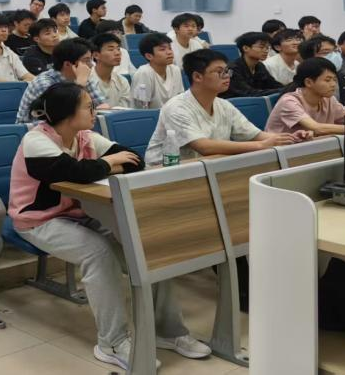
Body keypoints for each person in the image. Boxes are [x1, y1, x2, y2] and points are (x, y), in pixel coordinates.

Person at [10, 83, 209, 370]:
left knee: (145, 248)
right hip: (38, 221)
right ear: (67, 112)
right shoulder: (36, 141)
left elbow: (134, 160)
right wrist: (109, 162)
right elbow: (74, 172)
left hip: (79, 214)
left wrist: (105, 163)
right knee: (98, 253)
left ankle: (168, 330)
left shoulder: (85, 137)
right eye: (88, 107)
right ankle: (112, 342)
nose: (95, 111)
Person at [145, 50, 310, 166]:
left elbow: (256, 135)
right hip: (166, 171)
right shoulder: (176, 107)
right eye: (220, 72)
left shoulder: (224, 105)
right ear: (197, 76)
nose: (227, 77)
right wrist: (262, 145)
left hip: (208, 166)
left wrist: (290, 137)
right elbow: (204, 146)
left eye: (227, 71)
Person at [16, 39, 110, 124]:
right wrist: (80, 84)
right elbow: (62, 116)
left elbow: (102, 105)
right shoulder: (44, 83)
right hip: (36, 131)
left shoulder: (82, 76)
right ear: (67, 64)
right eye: (86, 60)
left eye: (91, 60)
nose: (92, 65)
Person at [265, 57, 345, 135]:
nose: (333, 84)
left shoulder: (328, 99)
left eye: (334, 80)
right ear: (308, 82)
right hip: (281, 149)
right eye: (327, 80)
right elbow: (317, 128)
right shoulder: (288, 102)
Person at [130, 32, 184, 109]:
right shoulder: (144, 73)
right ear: (149, 56)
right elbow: (142, 108)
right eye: (162, 49)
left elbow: (179, 99)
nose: (169, 52)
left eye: (170, 48)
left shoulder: (175, 70)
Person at [225, 32, 283, 98]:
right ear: (245, 48)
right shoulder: (232, 69)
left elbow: (274, 85)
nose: (266, 51)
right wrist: (281, 90)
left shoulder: (260, 66)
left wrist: (288, 88)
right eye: (261, 47)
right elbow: (248, 93)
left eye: (267, 47)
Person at [91, 33, 131, 108]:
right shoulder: (87, 80)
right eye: (111, 49)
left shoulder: (122, 81)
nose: (117, 53)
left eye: (118, 49)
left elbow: (125, 110)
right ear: (96, 55)